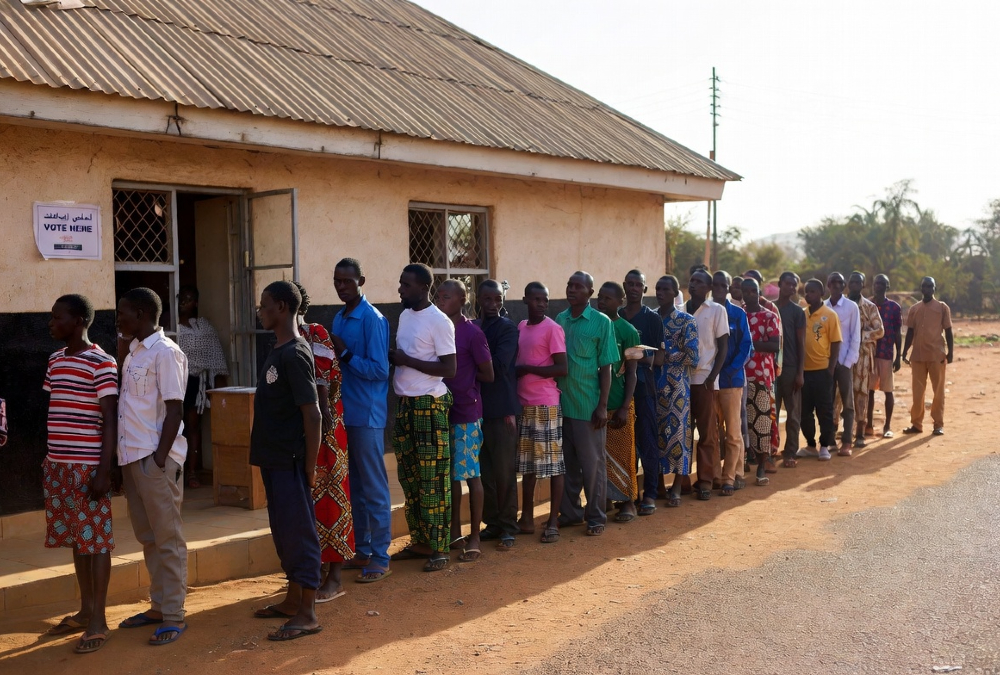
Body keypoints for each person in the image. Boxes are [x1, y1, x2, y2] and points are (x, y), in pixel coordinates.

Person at [42, 294, 118, 654]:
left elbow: (110, 420)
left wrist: (104, 471)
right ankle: (85, 609)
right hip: (58, 466)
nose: (51, 323)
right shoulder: (55, 360)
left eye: (58, 317)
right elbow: (57, 407)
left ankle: (99, 620)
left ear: (79, 321)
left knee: (96, 541)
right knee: (77, 537)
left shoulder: (102, 362)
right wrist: (51, 461)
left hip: (87, 468)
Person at [249, 281, 323, 641]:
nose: (260, 311)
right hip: (273, 458)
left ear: (280, 307)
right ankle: (293, 600)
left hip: (291, 460)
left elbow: (313, 414)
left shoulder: (295, 353)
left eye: (264, 305)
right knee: (283, 531)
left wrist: (309, 468)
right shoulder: (277, 349)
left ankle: (308, 613)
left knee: (299, 533)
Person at [115, 287, 189, 645]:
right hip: (132, 457)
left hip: (154, 459)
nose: (118, 319)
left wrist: (160, 459)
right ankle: (158, 606)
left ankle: (174, 613)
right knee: (149, 538)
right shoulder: (133, 352)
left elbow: (175, 409)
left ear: (142, 314)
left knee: (168, 538)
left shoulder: (166, 352)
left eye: (123, 313)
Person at [389, 264, 457, 572]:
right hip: (405, 405)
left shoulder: (439, 322)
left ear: (423, 288)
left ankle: (439, 548)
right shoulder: (405, 315)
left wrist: (407, 361)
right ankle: (420, 541)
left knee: (434, 481)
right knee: (410, 479)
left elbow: (449, 368)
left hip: (430, 406)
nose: (400, 289)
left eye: (406, 285)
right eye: (400, 283)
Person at [330, 258, 392, 583]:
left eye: (347, 281)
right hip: (345, 414)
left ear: (361, 281)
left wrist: (346, 354)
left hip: (367, 414)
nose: (341, 287)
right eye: (337, 281)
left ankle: (381, 556)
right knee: (353, 487)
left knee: (374, 487)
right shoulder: (339, 318)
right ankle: (363, 549)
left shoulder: (372, 319)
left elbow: (381, 370)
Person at [292, 281, 354, 603]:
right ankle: (312, 571)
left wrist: (323, 413)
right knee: (308, 504)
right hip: (300, 433)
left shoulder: (315, 332)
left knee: (331, 501)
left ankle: (335, 578)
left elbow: (324, 379)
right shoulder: (287, 340)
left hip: (325, 430)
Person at [556, 271, 619, 536]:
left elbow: (606, 368)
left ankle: (595, 517)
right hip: (562, 407)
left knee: (592, 466)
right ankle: (571, 513)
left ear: (590, 293)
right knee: (567, 465)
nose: (572, 290)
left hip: (588, 408)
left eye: (578, 286)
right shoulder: (560, 319)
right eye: (569, 285)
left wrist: (602, 406)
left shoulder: (601, 322)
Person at [437, 280, 493, 562]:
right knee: (451, 476)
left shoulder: (472, 333)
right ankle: (455, 532)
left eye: (446, 297)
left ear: (462, 300)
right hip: (442, 410)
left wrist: (466, 379)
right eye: (438, 297)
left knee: (471, 474)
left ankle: (474, 537)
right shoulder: (438, 328)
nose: (440, 301)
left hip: (466, 414)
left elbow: (488, 374)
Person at [515, 282, 568, 543]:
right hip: (524, 404)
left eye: (545, 300)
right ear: (525, 299)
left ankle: (553, 521)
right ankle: (526, 518)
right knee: (528, 466)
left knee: (554, 465)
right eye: (536, 299)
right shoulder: (521, 327)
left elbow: (561, 368)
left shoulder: (553, 328)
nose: (542, 304)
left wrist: (528, 369)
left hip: (546, 405)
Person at [474, 280, 521, 550]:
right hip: (478, 410)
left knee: (504, 472)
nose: (493, 304)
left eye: (498, 299)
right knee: (485, 472)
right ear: (478, 298)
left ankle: (508, 526)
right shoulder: (475, 326)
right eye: (488, 299)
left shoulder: (507, 328)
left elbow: (500, 366)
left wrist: (469, 365)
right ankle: (492, 523)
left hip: (502, 410)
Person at [621, 270, 666, 516]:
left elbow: (658, 359)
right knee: (622, 444)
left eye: (638, 284)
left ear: (644, 289)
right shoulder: (616, 317)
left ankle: (649, 494)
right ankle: (626, 494)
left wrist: (631, 356)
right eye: (630, 284)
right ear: (624, 286)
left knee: (647, 441)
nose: (634, 288)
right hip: (618, 390)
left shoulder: (652, 319)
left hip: (644, 389)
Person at [175, 285, 228, 489]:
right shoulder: (169, 326)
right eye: (181, 298)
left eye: (188, 299)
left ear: (196, 303)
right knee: (172, 426)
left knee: (193, 426)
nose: (183, 302)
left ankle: (192, 472)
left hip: (195, 382)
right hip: (174, 381)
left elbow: (215, 358)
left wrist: (221, 394)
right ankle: (174, 471)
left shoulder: (204, 327)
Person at [597, 281, 641, 522]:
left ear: (619, 302)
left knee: (624, 455)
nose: (601, 302)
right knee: (599, 457)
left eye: (607, 298)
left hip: (619, 404)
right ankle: (603, 499)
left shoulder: (628, 331)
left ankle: (628, 502)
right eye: (600, 297)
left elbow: (632, 372)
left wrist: (625, 407)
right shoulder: (595, 325)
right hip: (595, 404)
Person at [653, 275, 699, 507]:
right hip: (652, 386)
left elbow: (693, 357)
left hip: (677, 389)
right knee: (654, 435)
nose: (660, 293)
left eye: (665, 289)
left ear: (675, 292)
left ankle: (678, 487)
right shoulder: (650, 318)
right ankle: (659, 486)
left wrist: (666, 356)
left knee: (679, 434)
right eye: (657, 289)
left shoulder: (686, 321)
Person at [686, 268, 729, 500]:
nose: (693, 285)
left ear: (709, 288)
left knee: (706, 433)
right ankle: (683, 481)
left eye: (699, 282)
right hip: (681, 380)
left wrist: (712, 378)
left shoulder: (716, 310)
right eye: (692, 280)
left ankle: (705, 481)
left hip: (704, 379)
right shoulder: (680, 309)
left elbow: (723, 348)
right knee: (683, 432)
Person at [711, 271, 753, 496]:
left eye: (722, 285)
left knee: (733, 431)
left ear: (728, 288)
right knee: (713, 431)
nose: (718, 289)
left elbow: (746, 347)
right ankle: (717, 475)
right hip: (709, 381)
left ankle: (731, 476)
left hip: (731, 380)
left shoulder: (737, 314)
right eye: (715, 285)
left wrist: (728, 371)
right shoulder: (705, 312)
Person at [796, 279, 842, 461]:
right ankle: (810, 445)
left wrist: (831, 369)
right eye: (806, 292)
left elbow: (836, 342)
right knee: (804, 412)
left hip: (823, 371)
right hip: (804, 372)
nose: (808, 295)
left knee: (824, 411)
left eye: (812, 291)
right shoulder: (802, 314)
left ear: (822, 293)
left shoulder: (830, 315)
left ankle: (824, 445)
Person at [901, 276, 953, 436]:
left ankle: (938, 424)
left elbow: (948, 330)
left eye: (930, 286)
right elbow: (910, 332)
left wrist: (951, 352)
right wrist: (904, 351)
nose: (927, 289)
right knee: (917, 393)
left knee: (938, 392)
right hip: (918, 356)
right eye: (925, 286)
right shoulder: (914, 309)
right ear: (921, 288)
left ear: (934, 289)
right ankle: (916, 424)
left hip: (937, 355)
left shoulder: (942, 308)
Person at [741, 278, 780, 486]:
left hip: (762, 376)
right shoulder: (739, 315)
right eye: (745, 291)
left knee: (763, 421)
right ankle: (744, 462)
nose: (749, 294)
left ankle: (762, 467)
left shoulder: (769, 316)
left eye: (752, 291)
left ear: (759, 293)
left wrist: (747, 343)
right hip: (739, 375)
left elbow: (774, 345)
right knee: (742, 421)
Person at [845, 272, 884, 449]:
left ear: (863, 285)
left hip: (862, 356)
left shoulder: (869, 307)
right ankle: (839, 431)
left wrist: (861, 336)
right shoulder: (840, 305)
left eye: (857, 282)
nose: (854, 285)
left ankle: (860, 433)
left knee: (861, 392)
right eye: (851, 282)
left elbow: (880, 330)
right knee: (838, 393)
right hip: (842, 354)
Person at [824, 272, 861, 456]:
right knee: (827, 402)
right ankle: (829, 440)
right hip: (826, 363)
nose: (836, 285)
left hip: (844, 362)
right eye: (833, 282)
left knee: (847, 403)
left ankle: (847, 441)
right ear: (828, 285)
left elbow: (855, 336)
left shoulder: (851, 307)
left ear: (844, 285)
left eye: (840, 282)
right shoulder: (822, 307)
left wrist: (847, 363)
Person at [775, 272, 806, 467]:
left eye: (794, 285)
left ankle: (790, 452)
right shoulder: (770, 309)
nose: (792, 288)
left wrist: (800, 373)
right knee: (772, 413)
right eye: (788, 284)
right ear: (780, 284)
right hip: (772, 369)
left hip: (791, 368)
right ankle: (771, 450)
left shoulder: (797, 312)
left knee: (793, 414)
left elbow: (801, 344)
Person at [866, 274, 903, 438]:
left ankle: (887, 426)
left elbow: (897, 333)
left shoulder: (894, 307)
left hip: (886, 354)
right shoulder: (867, 305)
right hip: (869, 354)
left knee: (888, 390)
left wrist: (898, 356)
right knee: (869, 391)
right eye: (876, 283)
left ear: (887, 286)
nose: (878, 286)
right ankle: (868, 425)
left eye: (882, 283)